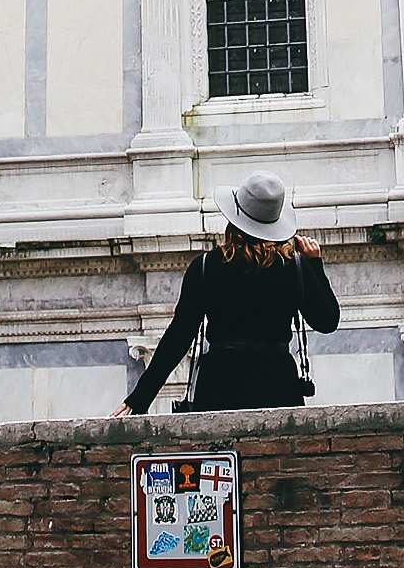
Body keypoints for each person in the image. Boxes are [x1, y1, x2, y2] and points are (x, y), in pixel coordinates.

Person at [125, 171, 339, 413]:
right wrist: (314, 264)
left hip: (219, 389)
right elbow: (327, 320)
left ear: (234, 219)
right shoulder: (293, 267)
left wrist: (139, 399)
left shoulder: (205, 267)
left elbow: (178, 337)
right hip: (279, 389)